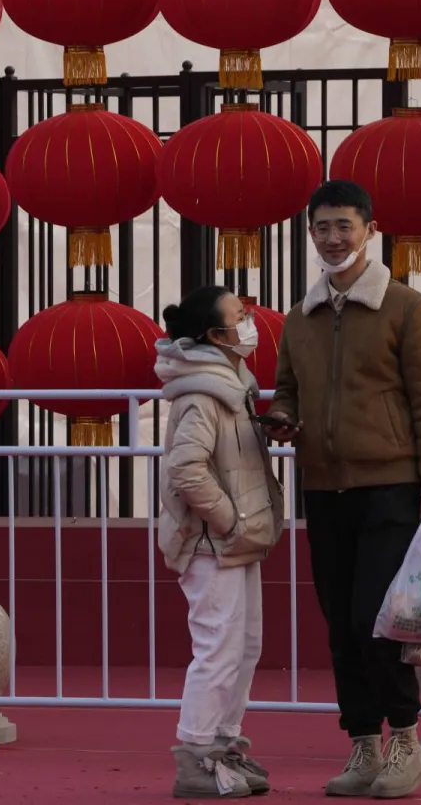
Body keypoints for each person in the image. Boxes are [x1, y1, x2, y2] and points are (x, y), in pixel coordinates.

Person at [264, 179, 421, 799]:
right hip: (324, 488)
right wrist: (284, 415)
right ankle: (364, 746)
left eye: (343, 226)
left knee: (382, 620)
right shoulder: (301, 316)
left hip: (393, 487)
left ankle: (406, 740)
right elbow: (286, 388)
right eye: (321, 228)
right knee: (341, 623)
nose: (332, 238)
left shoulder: (408, 308)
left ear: (370, 229)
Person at [156, 286, 285, 799]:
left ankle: (223, 746)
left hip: (235, 539)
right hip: (215, 544)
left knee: (244, 646)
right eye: (240, 316)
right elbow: (186, 470)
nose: (250, 321)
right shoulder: (202, 394)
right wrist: (230, 522)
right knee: (217, 649)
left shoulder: (233, 384)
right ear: (215, 335)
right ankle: (194, 756)